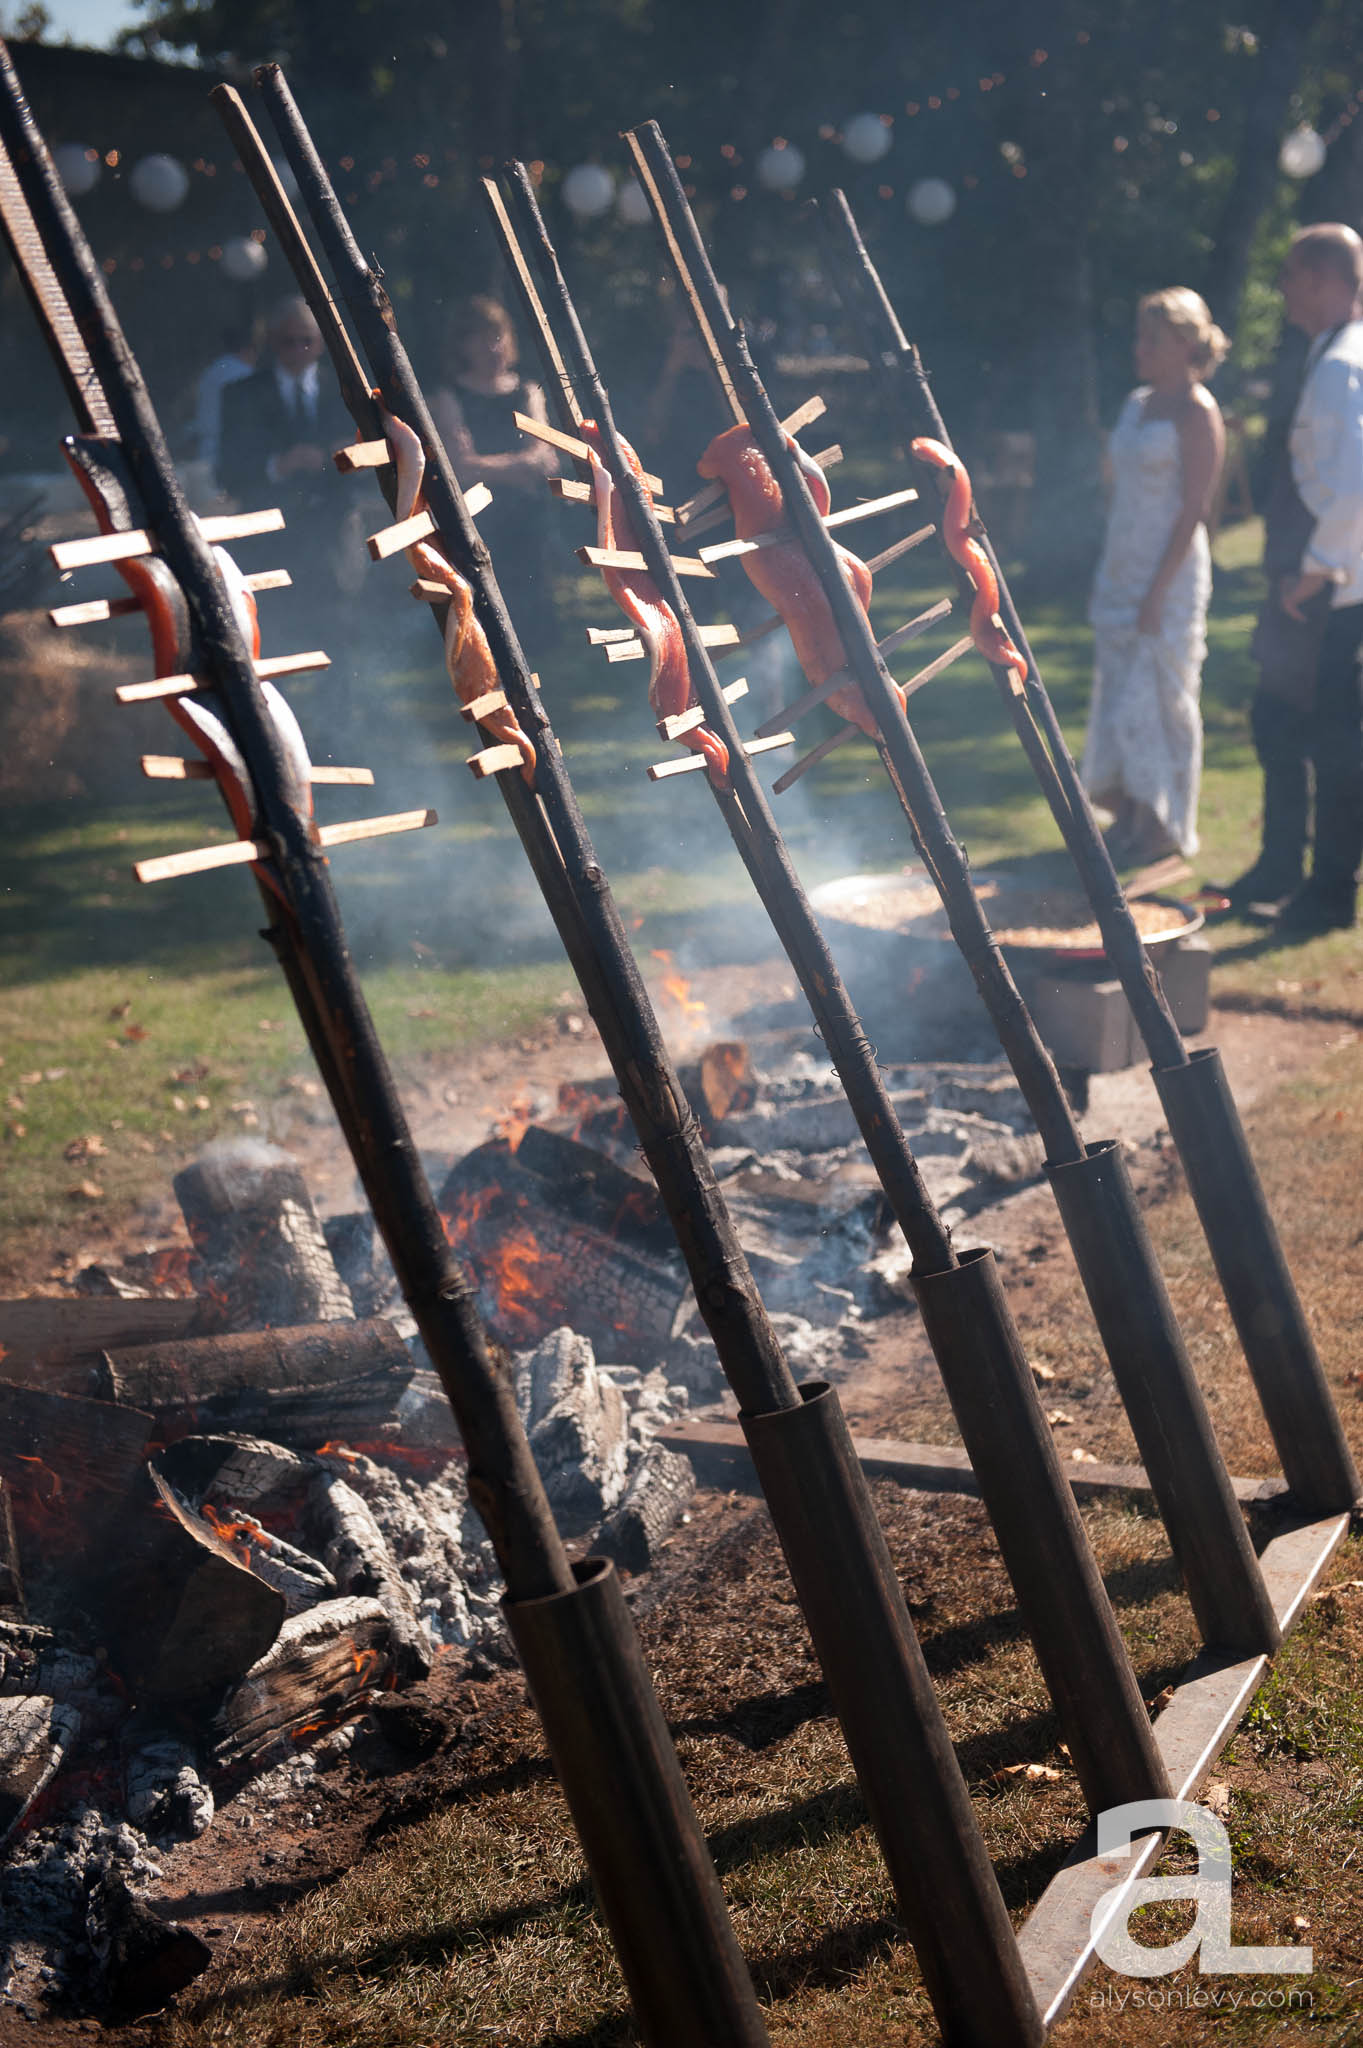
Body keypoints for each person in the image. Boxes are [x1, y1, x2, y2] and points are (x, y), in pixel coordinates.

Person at [1244, 225, 1363, 933]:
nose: (1283, 288)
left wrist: (1313, 573)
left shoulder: (1340, 366)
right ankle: (1290, 869)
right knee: (1285, 726)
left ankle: (1326, 893)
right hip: (1325, 582)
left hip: (1333, 591)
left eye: (1291, 274)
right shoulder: (1331, 356)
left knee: (1332, 743)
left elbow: (1351, 485)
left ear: (1321, 278)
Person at [1082, 289, 1227, 865]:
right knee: (1118, 694)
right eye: (1139, 337)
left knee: (1161, 697)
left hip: (1169, 573)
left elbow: (1194, 509)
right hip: (1122, 563)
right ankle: (1129, 812)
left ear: (1186, 346)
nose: (1139, 349)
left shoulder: (1199, 413)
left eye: (1153, 339)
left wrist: (1158, 591)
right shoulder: (1137, 403)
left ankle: (1162, 822)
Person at [429, 297, 559, 643]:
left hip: (528, 516)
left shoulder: (527, 391)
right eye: (481, 338)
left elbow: (545, 457)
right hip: (480, 515)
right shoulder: (449, 396)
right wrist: (520, 466)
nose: (492, 348)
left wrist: (489, 465)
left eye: (497, 336)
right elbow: (461, 467)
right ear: (462, 344)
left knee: (535, 608)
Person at [193, 314, 259, 492]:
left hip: (206, 450)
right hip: (229, 453)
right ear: (249, 349)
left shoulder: (211, 371)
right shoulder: (245, 375)